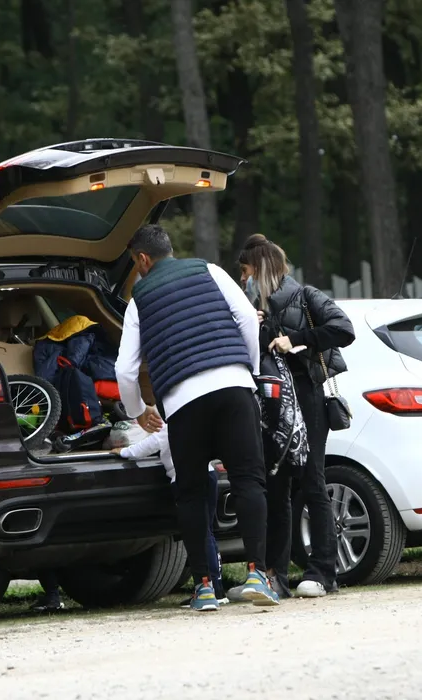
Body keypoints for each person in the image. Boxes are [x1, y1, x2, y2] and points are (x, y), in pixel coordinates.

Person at [115, 224, 279, 611]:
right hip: (233, 386)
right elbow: (246, 318)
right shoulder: (211, 270)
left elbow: (124, 369)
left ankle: (205, 587)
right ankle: (258, 574)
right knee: (248, 480)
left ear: (143, 259)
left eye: (135, 264)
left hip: (183, 401)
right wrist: (249, 371)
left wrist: (139, 412)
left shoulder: (139, 299)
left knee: (190, 493)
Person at [236, 234, 355, 599]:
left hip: (308, 398)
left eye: (246, 271)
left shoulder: (306, 296)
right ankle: (275, 575)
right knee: (276, 487)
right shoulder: (251, 308)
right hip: (271, 405)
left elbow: (344, 329)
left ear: (260, 268)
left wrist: (295, 338)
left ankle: (323, 572)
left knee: (312, 481)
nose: (243, 279)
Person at [111, 425, 227, 605]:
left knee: (197, 534)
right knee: (207, 532)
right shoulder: (196, 420)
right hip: (208, 474)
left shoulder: (171, 422)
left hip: (185, 478)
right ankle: (217, 589)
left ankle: (207, 589)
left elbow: (150, 445)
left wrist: (124, 451)